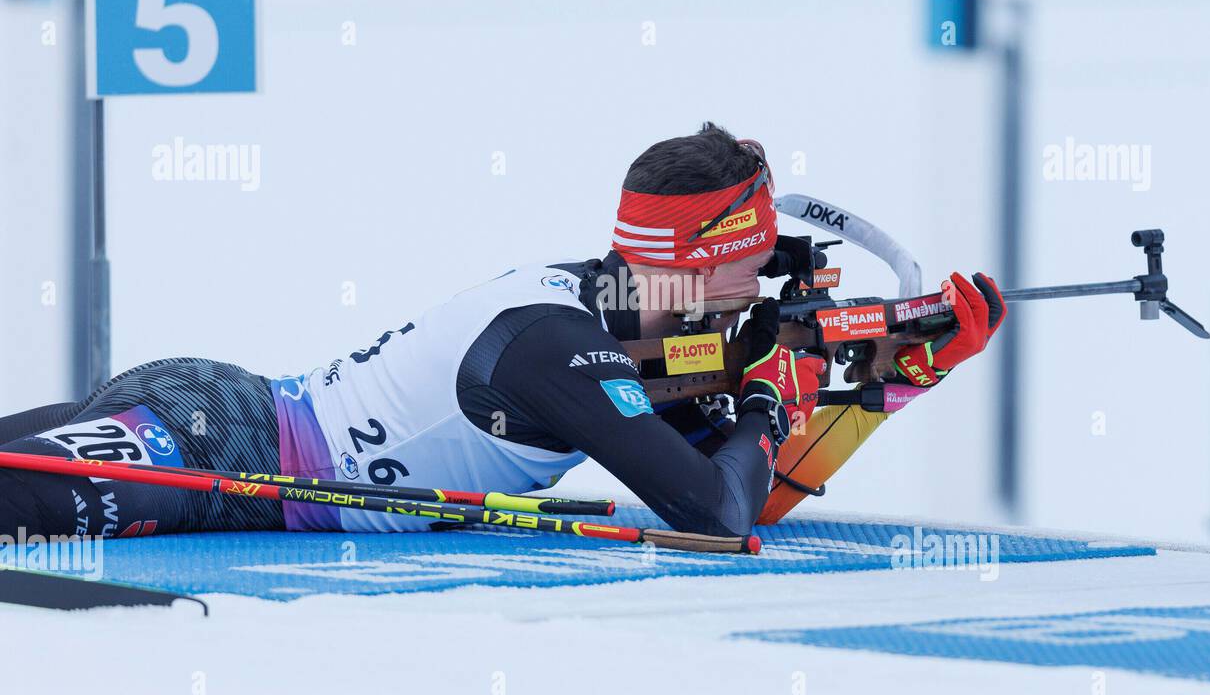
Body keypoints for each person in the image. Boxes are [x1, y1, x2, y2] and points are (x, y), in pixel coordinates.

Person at [0, 123, 1004, 540]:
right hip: (224, 444)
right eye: (753, 263)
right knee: (18, 496)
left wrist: (899, 377)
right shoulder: (560, 346)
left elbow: (758, 494)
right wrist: (773, 388)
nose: (760, 285)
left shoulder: (623, 318)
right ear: (700, 258)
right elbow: (715, 511)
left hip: (228, 423)